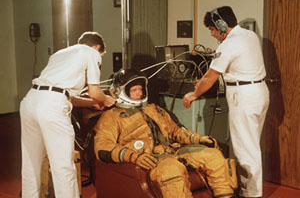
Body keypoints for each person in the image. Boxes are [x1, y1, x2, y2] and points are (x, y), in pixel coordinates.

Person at [94, 69, 238, 198]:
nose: (140, 93)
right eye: (134, 90)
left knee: (213, 156)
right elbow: (102, 147)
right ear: (120, 92)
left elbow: (175, 131)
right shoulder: (111, 117)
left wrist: (198, 139)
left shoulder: (154, 109)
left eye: (141, 89)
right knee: (172, 169)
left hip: (172, 150)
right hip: (153, 159)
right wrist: (133, 156)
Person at [183, 6, 269, 198]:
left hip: (243, 95)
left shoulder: (228, 44)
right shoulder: (250, 36)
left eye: (212, 30)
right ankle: (243, 187)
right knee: (251, 144)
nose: (213, 34)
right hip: (259, 91)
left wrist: (193, 94)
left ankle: (251, 194)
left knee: (245, 148)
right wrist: (204, 83)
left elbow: (210, 77)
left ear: (221, 25)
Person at [20, 31, 115, 198]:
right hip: (52, 105)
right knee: (63, 166)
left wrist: (95, 102)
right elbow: (94, 91)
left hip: (30, 101)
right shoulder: (92, 53)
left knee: (30, 163)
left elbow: (68, 97)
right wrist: (106, 99)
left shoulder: (61, 53)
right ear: (97, 47)